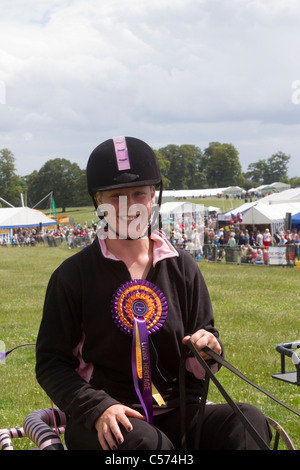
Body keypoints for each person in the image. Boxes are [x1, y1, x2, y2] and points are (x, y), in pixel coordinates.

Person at [35, 136, 271, 451]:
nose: (129, 206)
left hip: (181, 410)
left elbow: (203, 345)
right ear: (98, 201)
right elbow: (51, 363)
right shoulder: (72, 276)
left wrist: (209, 347)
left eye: (139, 194)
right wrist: (96, 406)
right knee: (149, 446)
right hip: (110, 422)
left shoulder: (183, 266)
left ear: (152, 197)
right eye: (116, 196)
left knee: (248, 421)